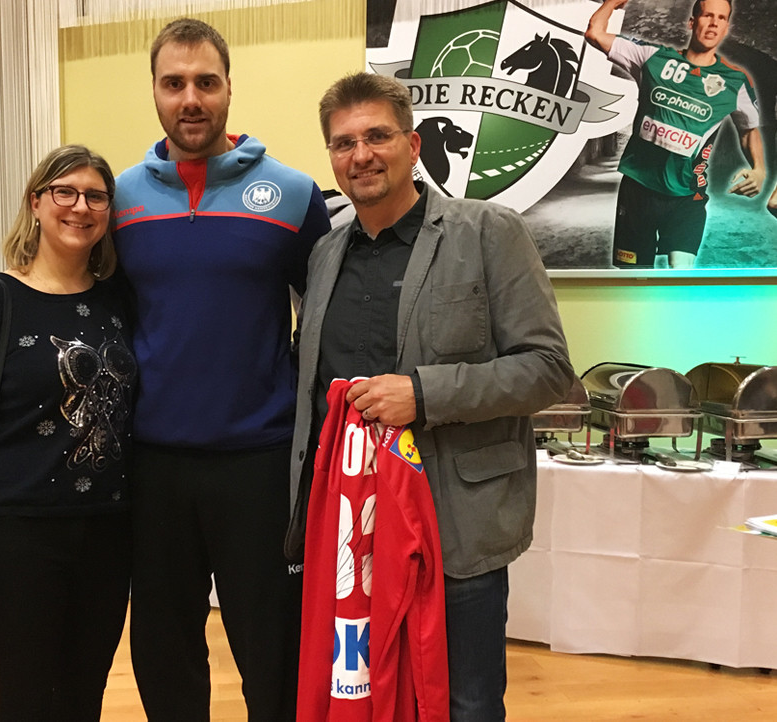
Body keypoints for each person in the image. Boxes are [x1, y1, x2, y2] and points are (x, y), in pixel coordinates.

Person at [286, 72, 575, 721]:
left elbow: (550, 368)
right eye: (344, 143)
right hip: (351, 533)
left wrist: (424, 392)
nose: (361, 154)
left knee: (466, 703)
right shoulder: (326, 254)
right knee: (365, 697)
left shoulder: (487, 231)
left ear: (413, 144)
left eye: (378, 136)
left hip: (455, 525)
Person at [111, 17, 331, 721]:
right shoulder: (118, 200)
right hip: (153, 467)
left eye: (206, 81)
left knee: (273, 648)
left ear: (230, 87)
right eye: (174, 83)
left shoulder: (294, 196)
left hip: (260, 465)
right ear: (154, 91)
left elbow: (328, 321)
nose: (191, 98)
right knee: (164, 647)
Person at [0, 145, 137, 720]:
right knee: (25, 700)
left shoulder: (119, 300)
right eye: (64, 192)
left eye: (95, 196)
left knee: (82, 696)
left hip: (108, 534)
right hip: (15, 535)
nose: (80, 207)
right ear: (36, 203)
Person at [585, 0, 765, 269]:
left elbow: (749, 129)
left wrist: (759, 169)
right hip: (638, 189)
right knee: (634, 279)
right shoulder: (652, 58)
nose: (714, 22)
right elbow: (594, 34)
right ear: (692, 22)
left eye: (721, 18)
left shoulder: (735, 81)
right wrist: (612, 2)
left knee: (680, 277)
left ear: (726, 27)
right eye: (707, 15)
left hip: (687, 196)